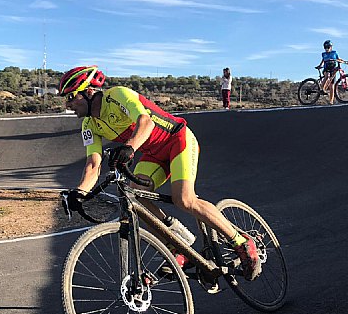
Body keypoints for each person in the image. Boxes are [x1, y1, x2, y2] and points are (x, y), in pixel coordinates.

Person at [60, 65, 261, 280]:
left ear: (89, 92)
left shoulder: (117, 95)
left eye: (71, 97)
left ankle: (240, 241)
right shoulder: (89, 125)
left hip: (177, 139)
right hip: (153, 154)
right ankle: (177, 245)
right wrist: (79, 193)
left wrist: (130, 147)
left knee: (184, 199)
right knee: (135, 198)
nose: (68, 104)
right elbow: (93, 164)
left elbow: (145, 121)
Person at [315, 40, 348, 105]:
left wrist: (345, 62)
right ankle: (322, 88)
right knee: (327, 75)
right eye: (325, 47)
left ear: (331, 47)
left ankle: (331, 101)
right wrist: (320, 66)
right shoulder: (324, 54)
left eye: (328, 47)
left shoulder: (334, 53)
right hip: (326, 69)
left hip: (332, 70)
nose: (326, 49)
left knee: (332, 86)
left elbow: (339, 59)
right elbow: (323, 61)